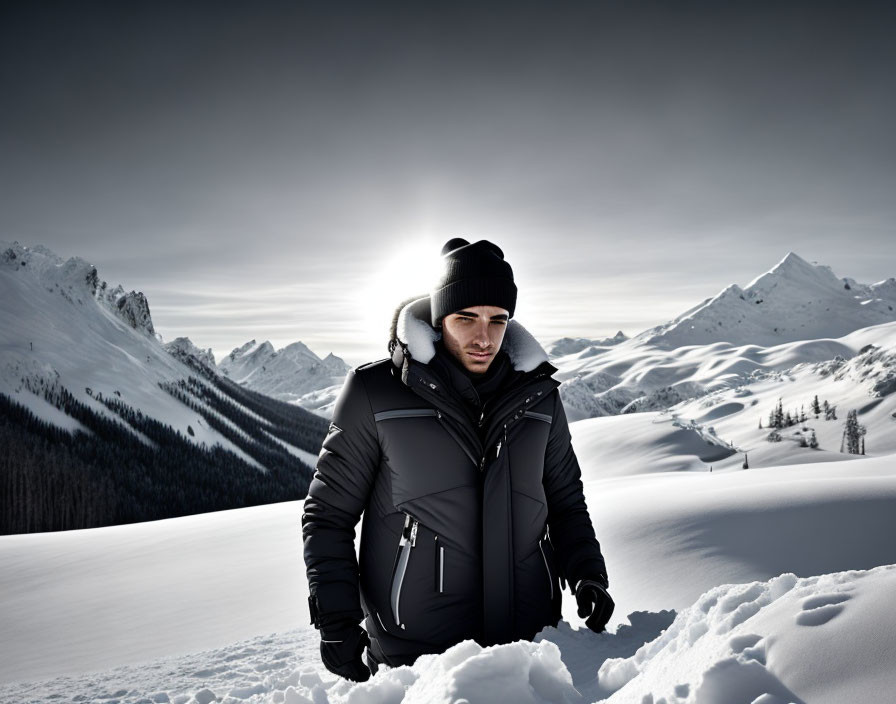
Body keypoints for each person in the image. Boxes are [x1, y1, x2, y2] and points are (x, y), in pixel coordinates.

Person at [302, 238, 613, 681]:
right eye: (466, 318)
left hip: (527, 652)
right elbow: (328, 514)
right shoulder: (376, 393)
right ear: (438, 317)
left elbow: (565, 501)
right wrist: (336, 619)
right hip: (415, 660)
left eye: (497, 320)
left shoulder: (541, 399)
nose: (484, 337)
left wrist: (587, 574)